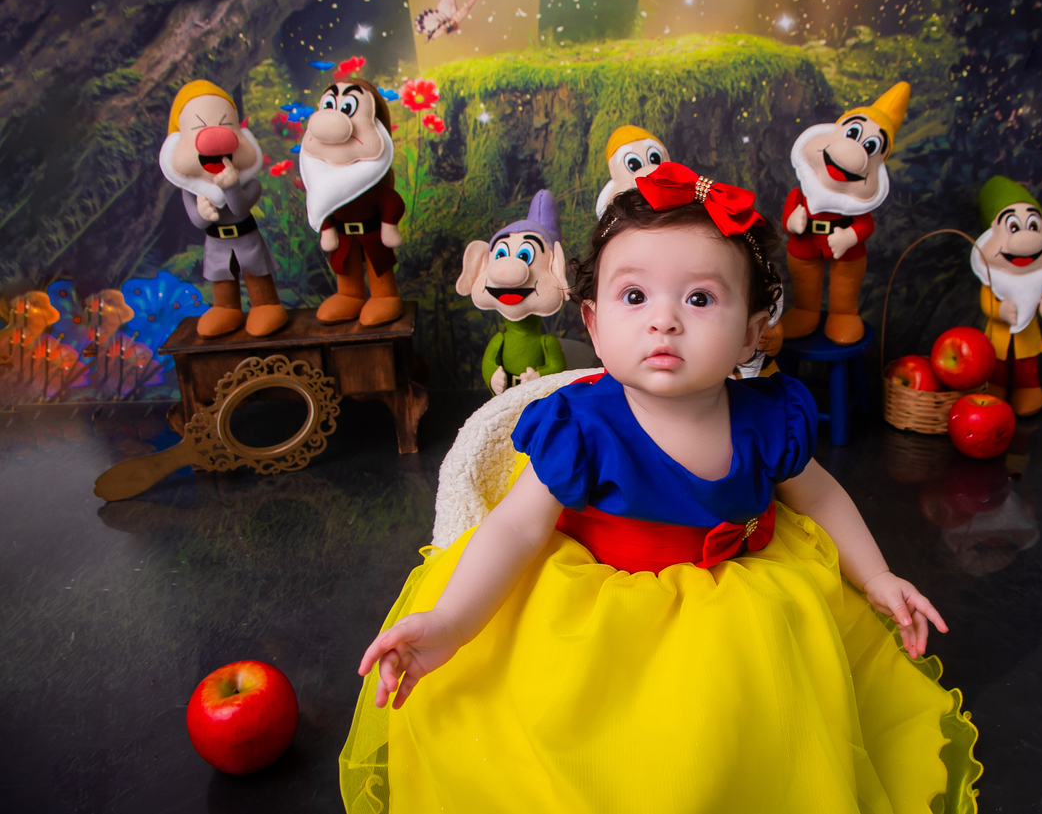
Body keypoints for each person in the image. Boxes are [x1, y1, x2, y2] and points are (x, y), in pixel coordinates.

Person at [341, 163, 982, 813]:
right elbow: (515, 526)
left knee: (743, 742)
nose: (664, 321)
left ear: (751, 332)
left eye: (699, 299)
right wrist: (451, 622)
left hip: (741, 606)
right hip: (598, 615)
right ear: (593, 323)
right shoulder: (581, 427)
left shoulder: (769, 416)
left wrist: (875, 575)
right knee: (599, 752)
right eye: (634, 296)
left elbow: (818, 496)